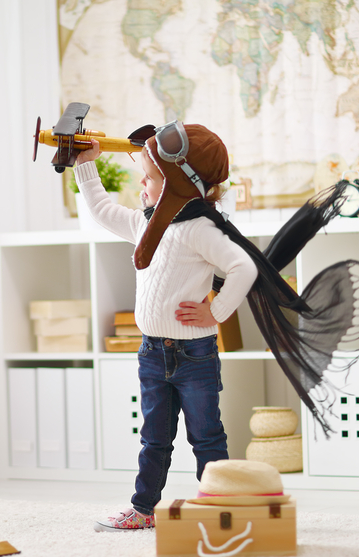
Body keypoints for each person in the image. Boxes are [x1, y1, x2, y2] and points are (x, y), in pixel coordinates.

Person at [73, 123, 257, 532]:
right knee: (154, 438)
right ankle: (143, 509)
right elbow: (102, 211)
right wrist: (86, 166)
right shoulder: (146, 224)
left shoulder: (198, 230)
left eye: (151, 177)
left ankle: (219, 506)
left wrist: (217, 311)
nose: (142, 183)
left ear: (178, 183)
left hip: (195, 355)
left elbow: (243, 265)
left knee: (206, 436)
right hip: (152, 352)